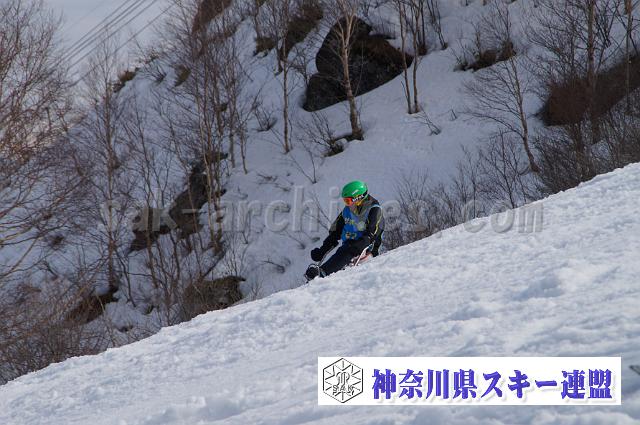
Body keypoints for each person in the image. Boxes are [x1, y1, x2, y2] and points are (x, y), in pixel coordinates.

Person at [305, 180, 384, 280]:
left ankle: (323, 273)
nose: (347, 204)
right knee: (345, 249)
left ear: (358, 198)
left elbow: (371, 233)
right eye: (345, 201)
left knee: (348, 249)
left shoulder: (374, 210)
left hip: (367, 250)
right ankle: (322, 272)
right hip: (349, 248)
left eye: (348, 201)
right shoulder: (347, 211)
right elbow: (335, 232)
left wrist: (360, 244)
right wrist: (322, 250)